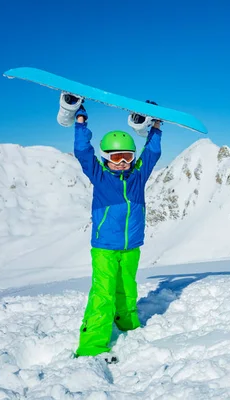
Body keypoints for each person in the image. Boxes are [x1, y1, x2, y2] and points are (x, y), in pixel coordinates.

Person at [72, 104, 162, 358]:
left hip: (131, 246)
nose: (122, 163)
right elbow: (82, 151)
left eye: (127, 157)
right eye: (115, 157)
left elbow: (152, 153)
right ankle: (91, 345)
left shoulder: (137, 177)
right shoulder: (100, 177)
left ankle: (127, 324)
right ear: (105, 158)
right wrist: (80, 120)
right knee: (103, 293)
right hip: (105, 248)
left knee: (127, 288)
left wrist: (156, 127)